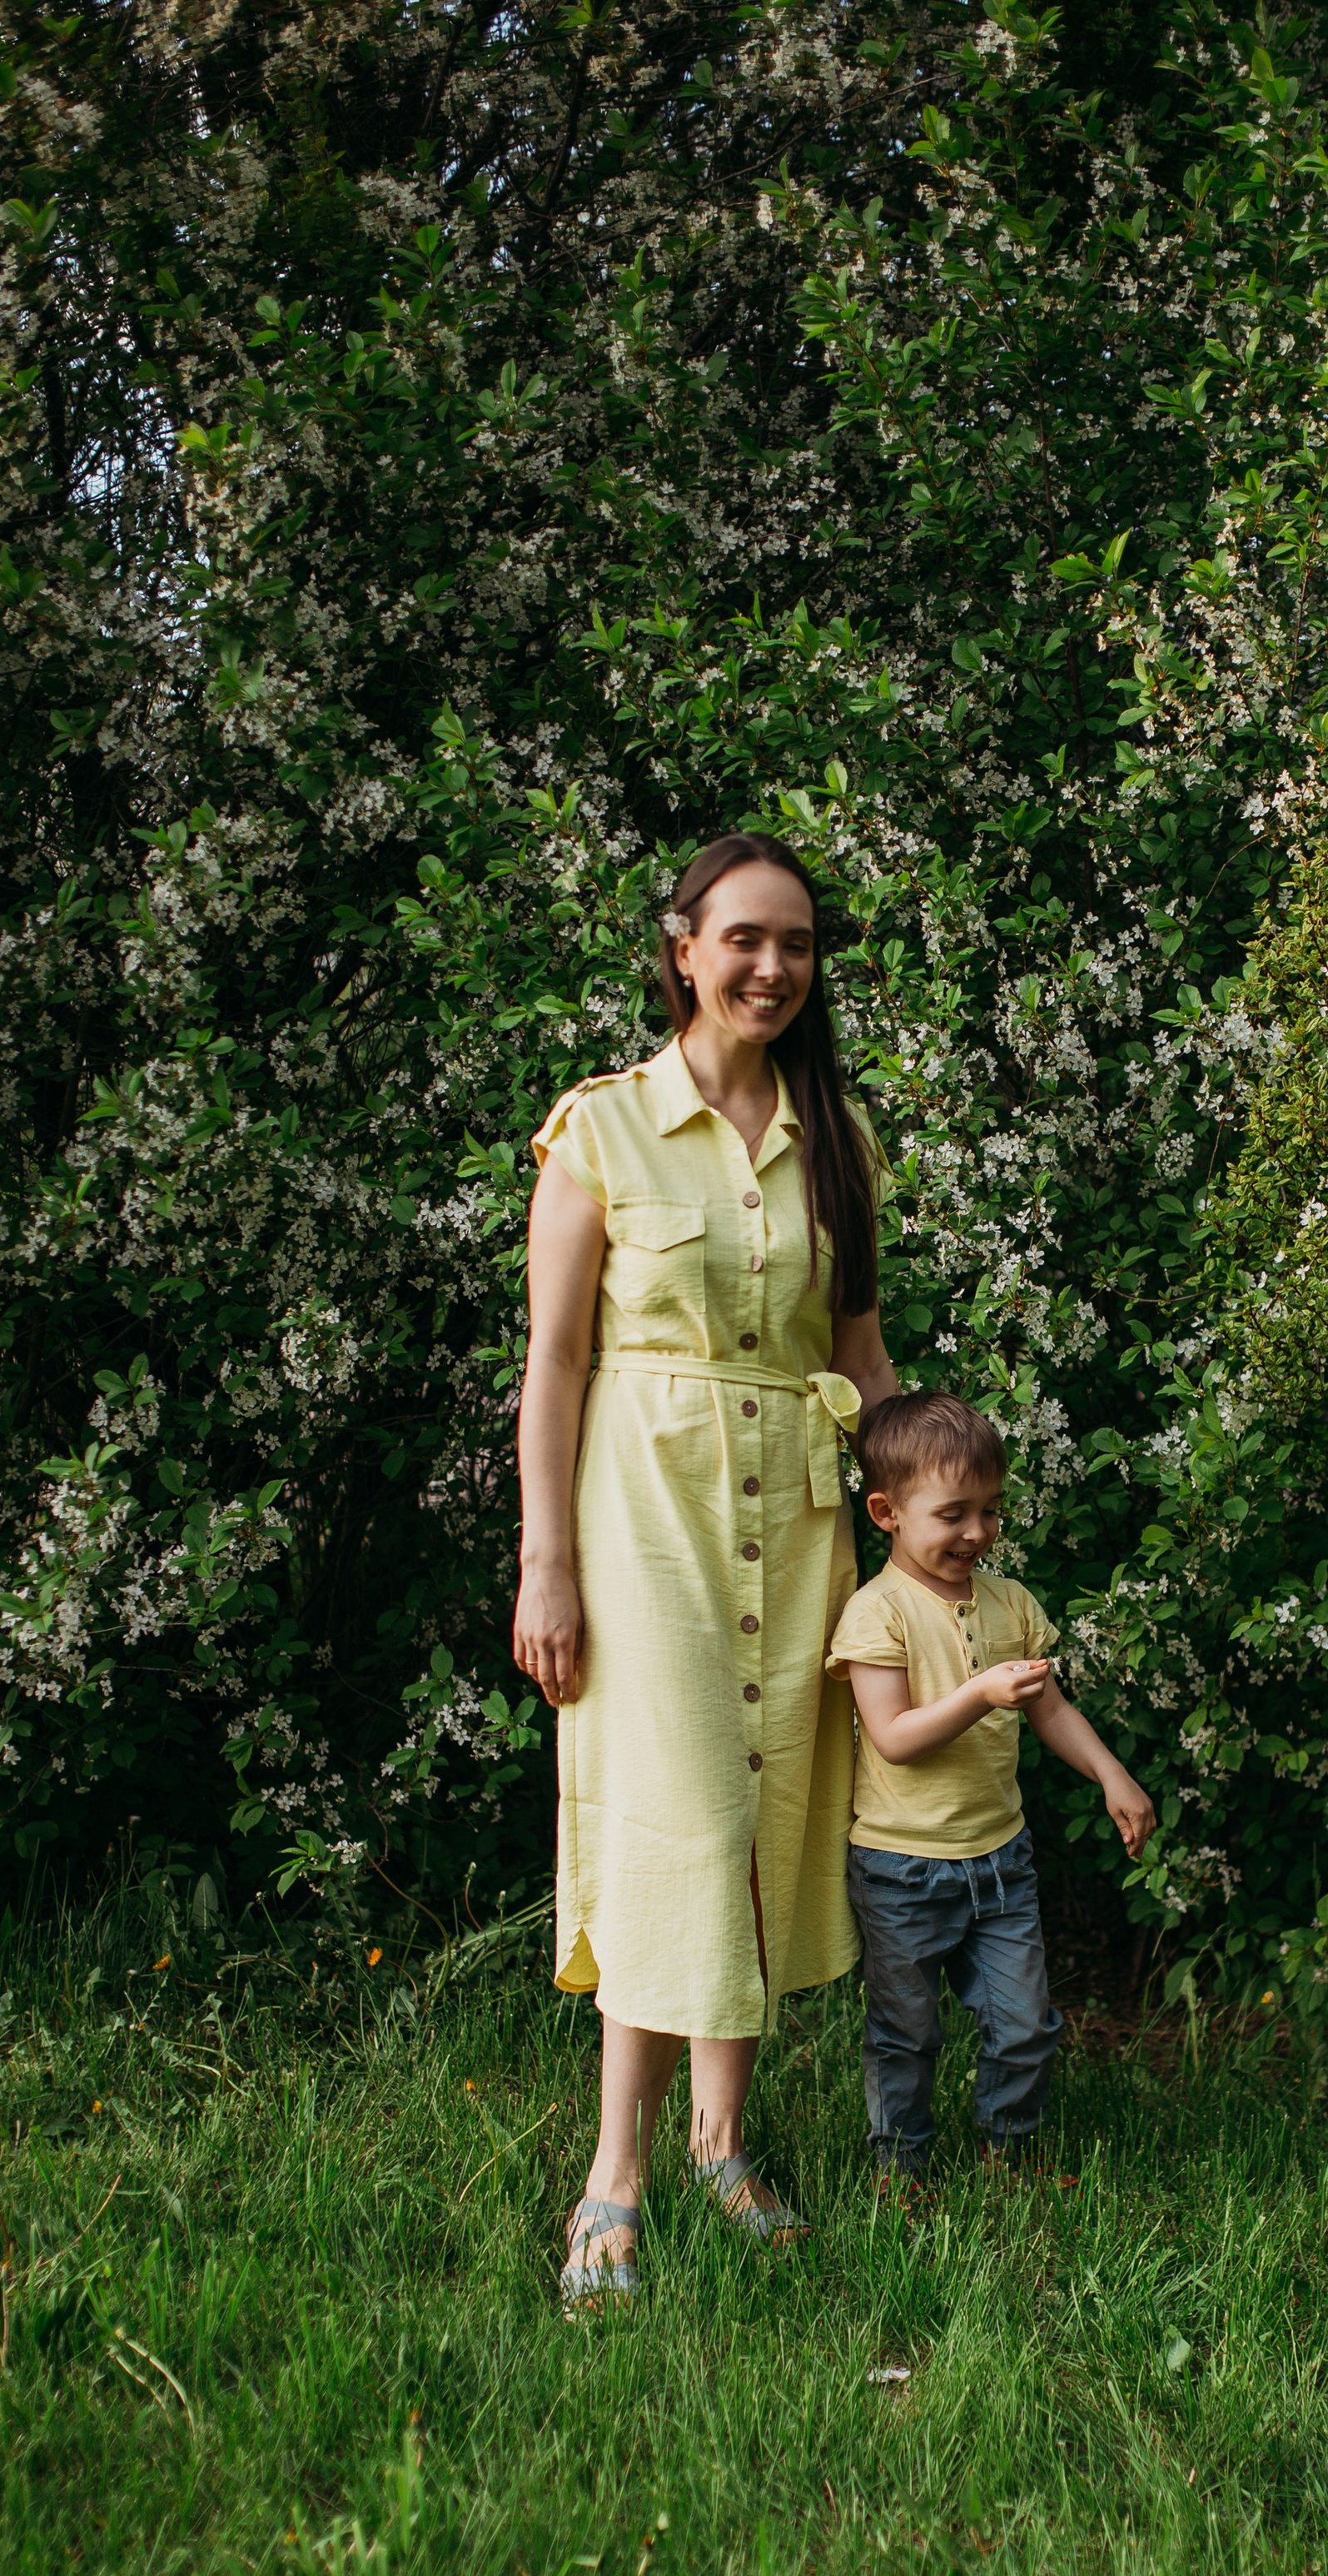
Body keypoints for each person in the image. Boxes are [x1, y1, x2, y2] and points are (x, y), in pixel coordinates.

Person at [513, 834, 897, 2309]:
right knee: (679, 1810)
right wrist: (548, 1562)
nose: (770, 968)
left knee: (769, 1809)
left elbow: (857, 1358)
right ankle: (616, 2165)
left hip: (801, 1513)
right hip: (644, 1509)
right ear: (682, 947)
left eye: (796, 944)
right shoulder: (600, 1130)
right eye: (742, 939)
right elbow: (553, 1367)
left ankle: (724, 2143)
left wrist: (910, 1543)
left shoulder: (841, 1145)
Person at [826, 1392, 1156, 2190]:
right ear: (887, 1512)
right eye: (952, 1514)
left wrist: (1111, 1771)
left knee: (1024, 2024)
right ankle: (899, 2173)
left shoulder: (1010, 1605)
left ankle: (1010, 2154)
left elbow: (1052, 1707)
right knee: (906, 2032)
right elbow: (895, 1739)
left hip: (1000, 1861)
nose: (977, 1532)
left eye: (991, 1510)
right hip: (902, 1867)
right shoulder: (877, 1615)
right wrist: (978, 1693)